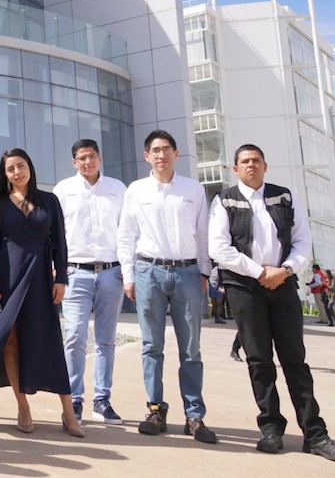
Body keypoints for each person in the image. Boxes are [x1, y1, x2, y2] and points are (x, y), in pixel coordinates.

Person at [208, 143, 335, 462]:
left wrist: (284, 270)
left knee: (295, 359)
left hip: (283, 284)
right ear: (235, 169)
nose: (251, 165)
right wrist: (260, 271)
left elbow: (303, 240)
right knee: (259, 361)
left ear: (265, 165)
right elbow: (219, 248)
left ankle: (315, 434)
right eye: (245, 161)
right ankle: (271, 430)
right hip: (244, 288)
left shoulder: (284, 196)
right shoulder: (224, 199)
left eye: (257, 160)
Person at [0, 149, 84, 437]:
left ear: (29, 166)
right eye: (10, 169)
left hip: (42, 278)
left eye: (20, 166)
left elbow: (60, 243)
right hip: (7, 279)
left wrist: (61, 277)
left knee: (50, 340)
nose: (17, 172)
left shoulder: (50, 200)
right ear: (4, 175)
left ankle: (68, 412)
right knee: (10, 341)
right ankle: (23, 407)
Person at [117, 129, 216, 444]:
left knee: (191, 349)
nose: (161, 155)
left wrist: (204, 272)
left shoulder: (193, 189)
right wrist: (129, 275)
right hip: (149, 271)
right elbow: (126, 235)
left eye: (167, 149)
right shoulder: (136, 190)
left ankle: (195, 415)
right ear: (147, 156)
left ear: (176, 153)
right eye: (155, 150)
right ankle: (156, 410)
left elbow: (203, 234)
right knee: (151, 346)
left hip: (187, 272)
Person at [53, 138, 126, 425]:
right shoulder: (63, 190)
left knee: (106, 339)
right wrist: (55, 269)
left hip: (111, 272)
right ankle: (74, 399)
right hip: (75, 273)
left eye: (92, 157)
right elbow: (54, 234)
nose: (88, 162)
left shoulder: (117, 189)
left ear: (100, 158)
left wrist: (126, 267)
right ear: (74, 162)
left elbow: (128, 230)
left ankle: (102, 399)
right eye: (82, 158)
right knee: (74, 337)